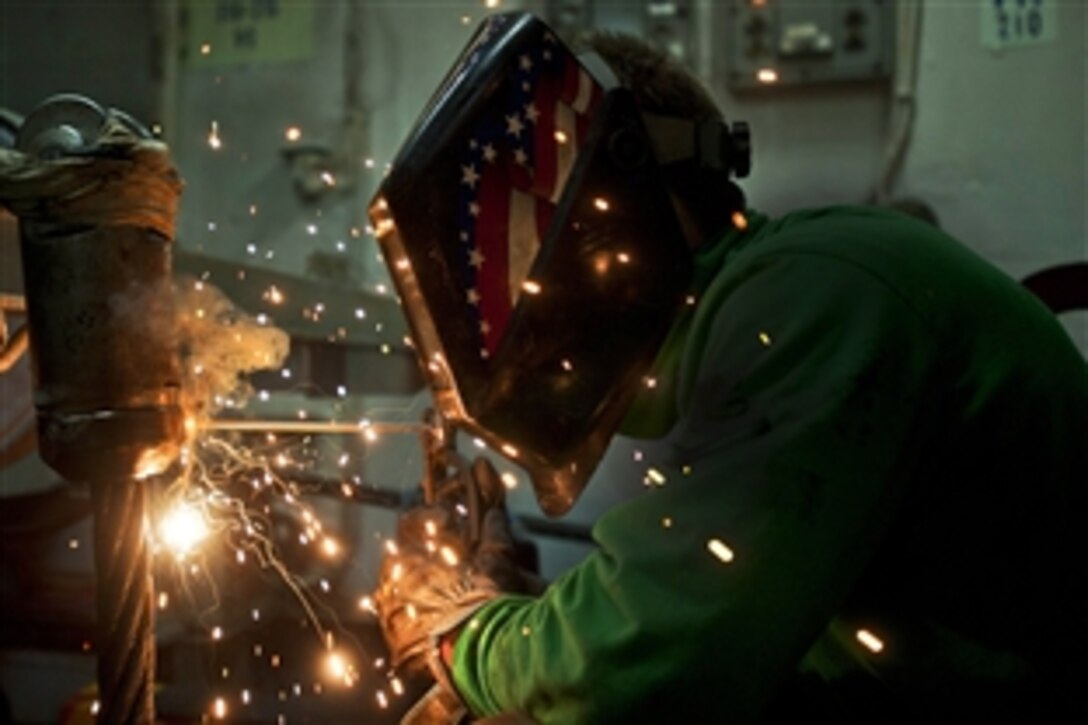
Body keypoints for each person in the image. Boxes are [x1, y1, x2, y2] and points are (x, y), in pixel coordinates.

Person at [373, 14, 1088, 723]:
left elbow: (651, 665)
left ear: (617, 205)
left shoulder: (813, 297)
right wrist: (532, 625)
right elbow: (729, 626)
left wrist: (464, 643)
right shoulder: (800, 290)